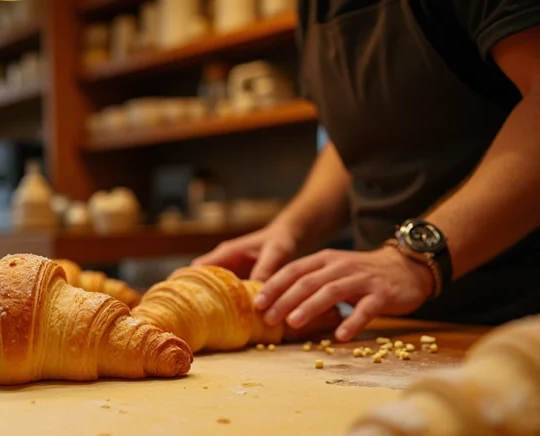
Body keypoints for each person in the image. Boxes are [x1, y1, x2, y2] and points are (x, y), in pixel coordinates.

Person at [194, 1, 540, 342]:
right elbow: (357, 140)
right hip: (392, 327)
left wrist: (414, 260)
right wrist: (290, 229)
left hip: (517, 324)